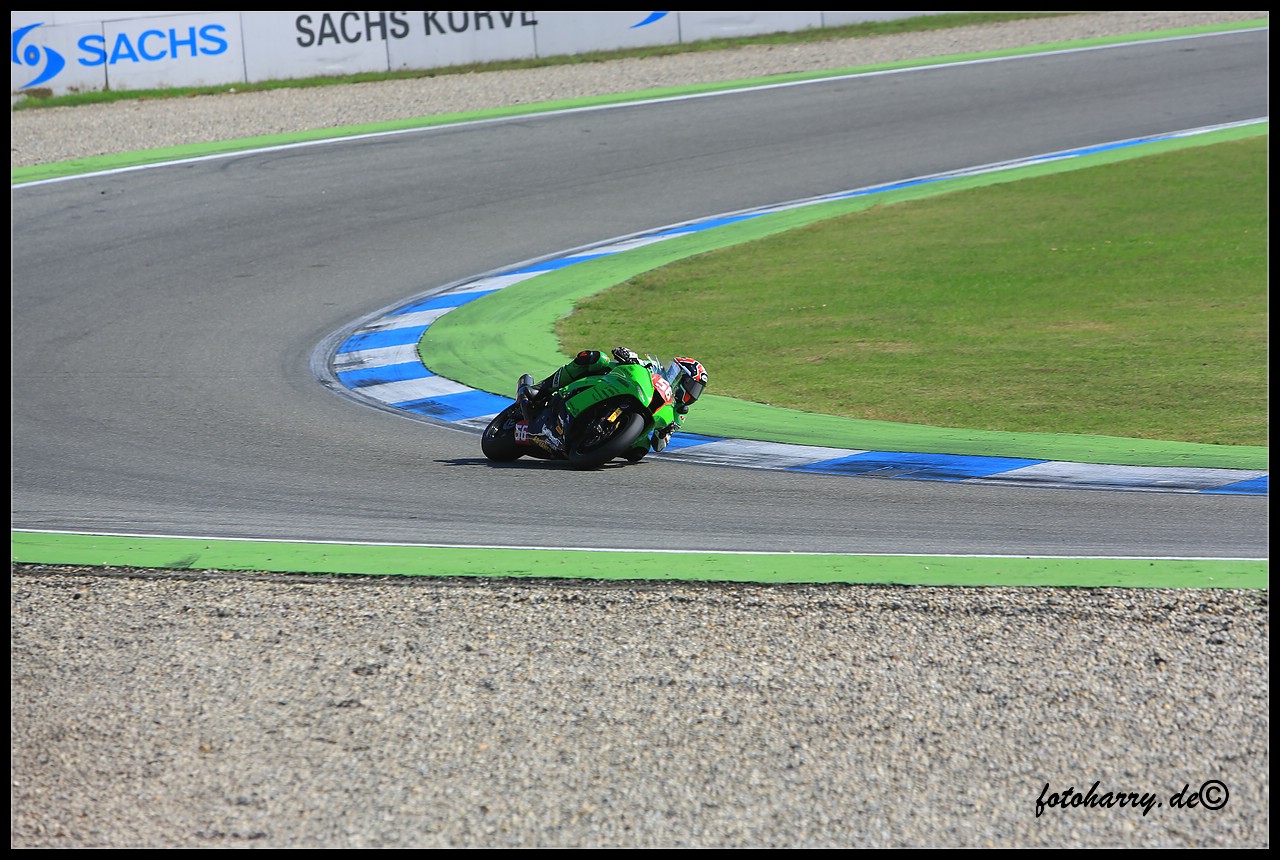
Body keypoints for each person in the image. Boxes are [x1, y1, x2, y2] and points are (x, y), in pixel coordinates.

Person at [525, 346, 707, 459]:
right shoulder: (655, 368)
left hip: (638, 418)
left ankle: (598, 444)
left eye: (696, 391)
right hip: (615, 384)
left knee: (639, 451)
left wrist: (664, 434)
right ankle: (542, 389)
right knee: (594, 357)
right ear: (681, 377)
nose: (692, 395)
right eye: (692, 387)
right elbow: (636, 362)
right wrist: (628, 355)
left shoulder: (678, 413)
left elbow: (659, 447)